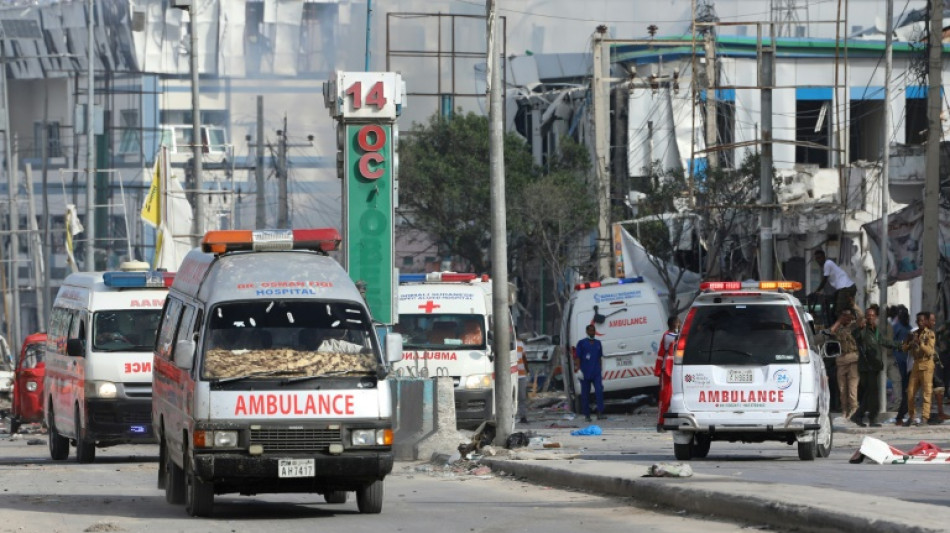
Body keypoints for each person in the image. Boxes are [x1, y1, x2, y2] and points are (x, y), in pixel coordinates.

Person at [852, 306, 900, 427]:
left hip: (875, 366)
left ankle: (859, 416)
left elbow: (884, 342)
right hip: (867, 368)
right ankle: (868, 417)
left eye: (873, 316)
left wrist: (901, 345)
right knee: (872, 394)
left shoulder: (875, 330)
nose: (870, 318)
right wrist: (860, 328)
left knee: (871, 393)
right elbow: (856, 335)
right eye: (868, 316)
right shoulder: (863, 330)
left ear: (876, 317)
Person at [903, 311, 936, 426]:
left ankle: (925, 417)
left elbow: (930, 351)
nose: (920, 323)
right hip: (916, 364)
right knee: (910, 392)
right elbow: (904, 348)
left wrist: (920, 343)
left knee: (926, 393)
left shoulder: (930, 334)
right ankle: (912, 417)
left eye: (922, 320)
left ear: (926, 322)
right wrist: (908, 341)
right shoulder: (914, 333)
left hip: (926, 364)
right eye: (918, 321)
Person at [809, 249, 857, 321]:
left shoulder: (828, 263)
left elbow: (824, 280)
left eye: (819, 257)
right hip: (847, 287)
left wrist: (817, 290)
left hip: (845, 288)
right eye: (817, 258)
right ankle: (854, 319)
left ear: (824, 257)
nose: (818, 260)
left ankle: (846, 324)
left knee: (838, 311)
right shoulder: (826, 265)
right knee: (846, 307)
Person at [830, 308, 860, 420]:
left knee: (852, 388)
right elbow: (830, 332)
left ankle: (853, 409)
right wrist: (839, 321)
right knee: (842, 388)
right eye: (844, 316)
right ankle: (844, 410)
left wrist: (855, 307)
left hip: (853, 358)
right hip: (841, 359)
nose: (846, 318)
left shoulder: (855, 326)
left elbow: (862, 318)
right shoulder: (839, 327)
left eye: (848, 316)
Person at [653, 316, 680, 432]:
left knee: (675, 398)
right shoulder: (668, 336)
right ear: (673, 324)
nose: (678, 324)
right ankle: (660, 423)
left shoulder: (673, 335)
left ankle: (672, 422)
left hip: (676, 370)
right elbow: (676, 339)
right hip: (668, 371)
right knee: (665, 398)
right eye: (677, 322)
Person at [574, 324, 605, 422]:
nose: (592, 333)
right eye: (590, 331)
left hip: (596, 372)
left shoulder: (598, 343)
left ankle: (600, 412)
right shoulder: (581, 343)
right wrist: (578, 369)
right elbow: (577, 357)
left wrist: (600, 369)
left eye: (593, 331)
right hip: (585, 372)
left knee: (599, 391)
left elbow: (599, 357)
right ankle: (587, 415)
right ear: (587, 332)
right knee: (585, 394)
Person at [893, 306, 912, 425]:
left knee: (906, 386)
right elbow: (893, 342)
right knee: (900, 384)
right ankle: (899, 409)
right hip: (899, 359)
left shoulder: (910, 328)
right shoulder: (897, 327)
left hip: (907, 361)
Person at [516, 345, 530, 424]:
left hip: (521, 374)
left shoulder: (521, 343)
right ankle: (510, 417)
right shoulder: (505, 340)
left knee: (522, 397)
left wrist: (527, 370)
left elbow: (524, 358)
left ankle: (523, 416)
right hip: (510, 374)